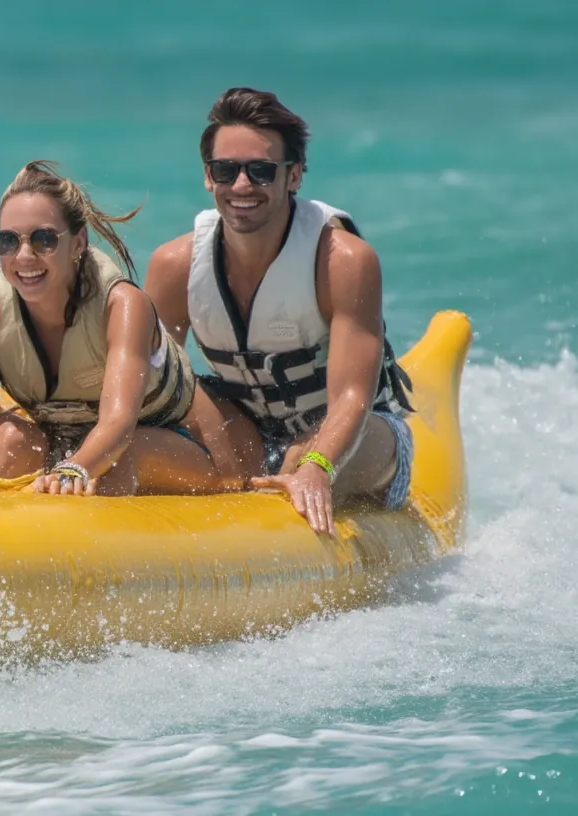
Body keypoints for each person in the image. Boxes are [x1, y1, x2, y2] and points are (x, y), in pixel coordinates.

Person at [143, 87, 416, 534]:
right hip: (250, 433)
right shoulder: (174, 266)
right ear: (208, 177)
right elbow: (145, 381)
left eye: (261, 171)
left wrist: (315, 465)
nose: (242, 186)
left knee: (296, 459)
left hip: (359, 436)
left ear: (294, 176)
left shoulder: (343, 262)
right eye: (226, 170)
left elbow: (352, 396)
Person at [0, 160, 243, 497]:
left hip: (177, 445)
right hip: (71, 445)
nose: (25, 256)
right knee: (9, 440)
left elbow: (118, 424)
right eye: (8, 242)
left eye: (44, 239)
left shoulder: (123, 307)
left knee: (116, 462)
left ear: (78, 243)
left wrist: (74, 469)